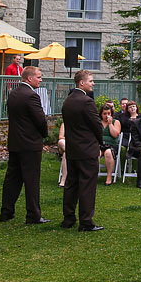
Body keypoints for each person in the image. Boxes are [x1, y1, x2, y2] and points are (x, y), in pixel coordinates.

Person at [0, 66, 49, 224]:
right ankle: (33, 215)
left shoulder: (13, 94)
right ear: (29, 78)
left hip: (15, 142)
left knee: (12, 178)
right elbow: (40, 119)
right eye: (39, 77)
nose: (41, 80)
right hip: (30, 144)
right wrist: (44, 133)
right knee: (31, 180)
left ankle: (6, 211)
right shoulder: (31, 96)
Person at [60, 70, 103, 232]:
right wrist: (100, 142)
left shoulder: (68, 100)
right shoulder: (86, 101)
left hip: (72, 148)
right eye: (91, 81)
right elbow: (96, 125)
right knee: (87, 186)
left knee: (71, 184)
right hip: (87, 149)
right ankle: (86, 221)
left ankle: (68, 218)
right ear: (81, 83)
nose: (93, 83)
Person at [99, 103, 121, 185]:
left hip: (111, 145)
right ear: (101, 114)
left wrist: (110, 124)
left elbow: (115, 135)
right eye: (104, 114)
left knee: (108, 153)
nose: (106, 115)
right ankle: (92, 175)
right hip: (99, 145)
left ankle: (109, 176)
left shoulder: (116, 122)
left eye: (108, 113)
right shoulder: (98, 122)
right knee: (96, 153)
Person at [57, 122, 67, 187]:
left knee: (66, 154)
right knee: (61, 142)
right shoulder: (64, 124)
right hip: (65, 144)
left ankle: (63, 180)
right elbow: (60, 137)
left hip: (75, 146)